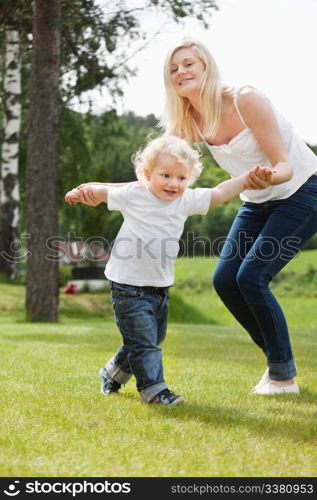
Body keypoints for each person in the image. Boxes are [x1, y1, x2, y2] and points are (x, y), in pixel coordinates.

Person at [65, 135, 273, 405]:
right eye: (165, 175)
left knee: (149, 338)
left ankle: (112, 373)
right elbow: (102, 190)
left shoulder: (185, 200)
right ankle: (154, 390)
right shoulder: (133, 194)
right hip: (128, 285)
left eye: (181, 178)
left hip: (160, 286)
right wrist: (81, 193)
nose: (174, 184)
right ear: (147, 174)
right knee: (145, 344)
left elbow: (220, 193)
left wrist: (246, 179)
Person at [161, 39, 317, 395]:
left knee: (251, 278)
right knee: (225, 281)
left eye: (189, 64)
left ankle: (282, 377)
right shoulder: (188, 120)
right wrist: (114, 192)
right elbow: (161, 165)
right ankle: (278, 363)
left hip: (303, 190)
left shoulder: (246, 99)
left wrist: (268, 176)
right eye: (173, 69)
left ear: (206, 67)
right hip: (257, 199)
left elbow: (285, 166)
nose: (181, 72)